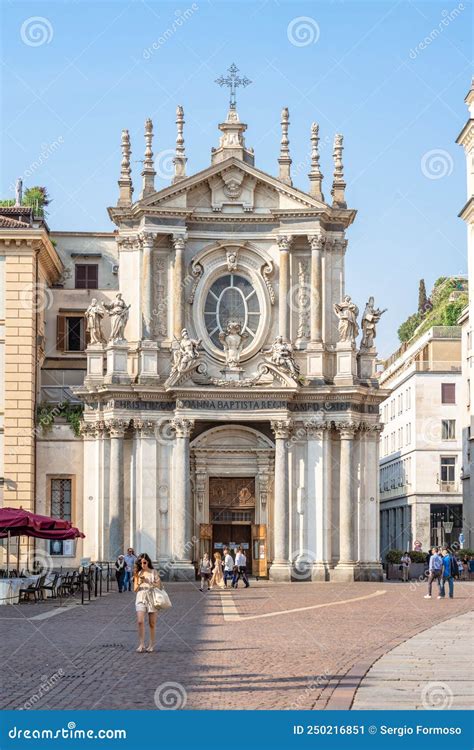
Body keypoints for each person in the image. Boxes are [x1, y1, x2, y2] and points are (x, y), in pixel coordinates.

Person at [133, 553, 162, 652]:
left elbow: (158, 586)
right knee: (140, 621)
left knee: (152, 623)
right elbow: (135, 589)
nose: (143, 565)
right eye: (140, 563)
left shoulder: (154, 572)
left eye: (144, 562)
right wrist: (140, 582)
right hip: (141, 597)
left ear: (148, 562)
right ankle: (141, 644)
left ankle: (151, 645)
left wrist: (148, 581)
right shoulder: (138, 573)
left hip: (152, 597)